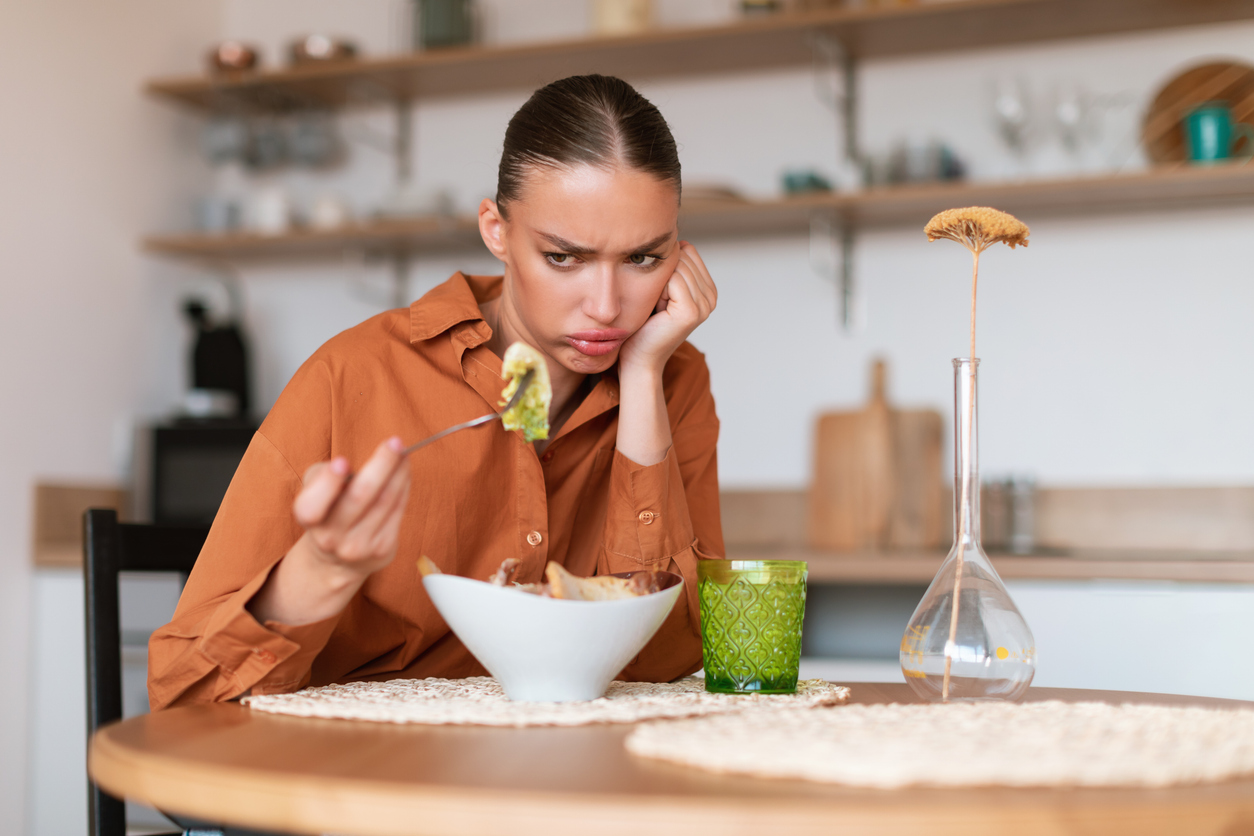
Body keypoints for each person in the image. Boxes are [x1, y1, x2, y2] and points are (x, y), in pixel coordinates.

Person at [148, 74, 723, 710]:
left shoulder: (672, 375)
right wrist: (322, 570)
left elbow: (668, 657)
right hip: (354, 780)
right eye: (564, 257)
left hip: (552, 783)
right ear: (496, 230)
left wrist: (642, 376)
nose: (608, 307)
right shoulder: (356, 376)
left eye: (644, 258)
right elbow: (184, 696)